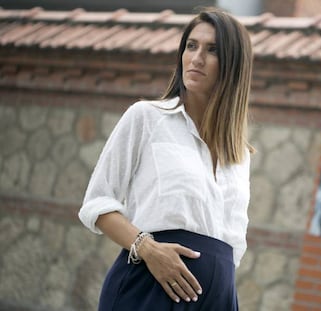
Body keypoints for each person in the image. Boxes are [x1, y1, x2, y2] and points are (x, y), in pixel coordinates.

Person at [79, 7, 253, 310]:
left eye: (212, 50)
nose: (197, 58)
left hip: (217, 299)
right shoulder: (147, 118)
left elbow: (233, 243)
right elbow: (97, 204)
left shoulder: (238, 153)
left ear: (233, 65)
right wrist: (147, 248)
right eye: (191, 45)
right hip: (150, 288)